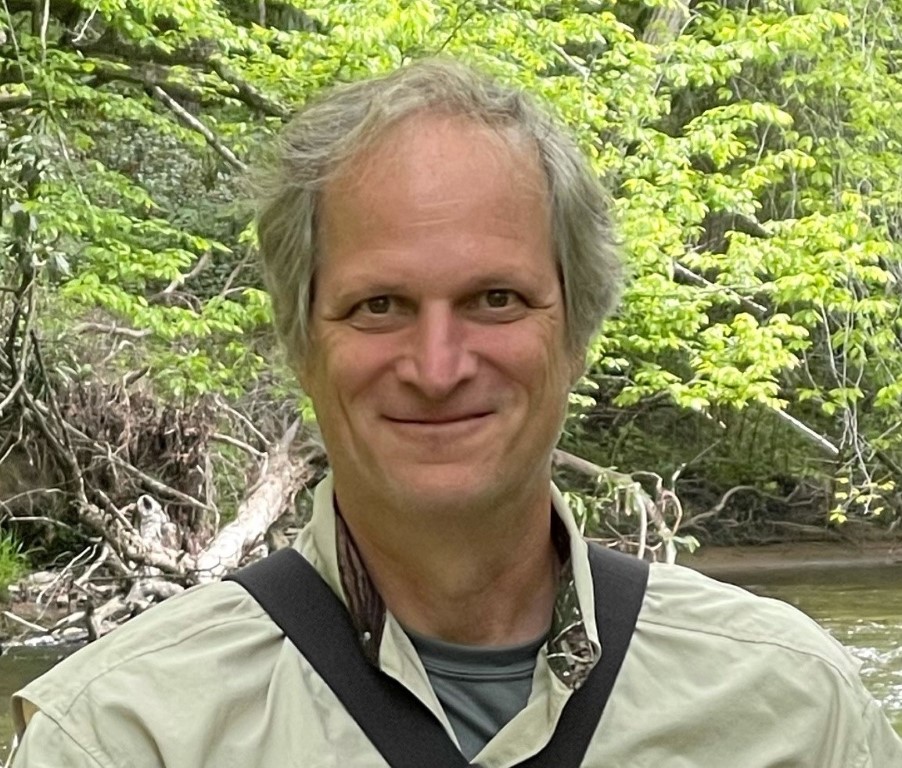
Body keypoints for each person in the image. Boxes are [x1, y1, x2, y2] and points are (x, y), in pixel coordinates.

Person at [9, 58, 902, 768]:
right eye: (379, 307)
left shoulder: (796, 710)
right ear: (302, 345)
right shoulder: (127, 736)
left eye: (496, 299)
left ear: (576, 333)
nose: (437, 369)